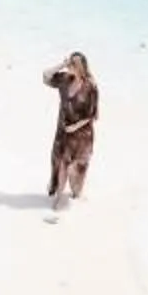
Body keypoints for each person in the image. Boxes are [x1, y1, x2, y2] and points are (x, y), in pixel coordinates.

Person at [40, 52, 98, 212]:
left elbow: (92, 115)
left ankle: (76, 194)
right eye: (70, 62)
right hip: (63, 132)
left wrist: (75, 127)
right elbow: (45, 76)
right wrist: (61, 64)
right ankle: (58, 198)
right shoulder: (65, 80)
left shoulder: (90, 86)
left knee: (77, 173)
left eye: (75, 63)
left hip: (82, 135)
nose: (71, 65)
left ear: (82, 66)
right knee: (60, 164)